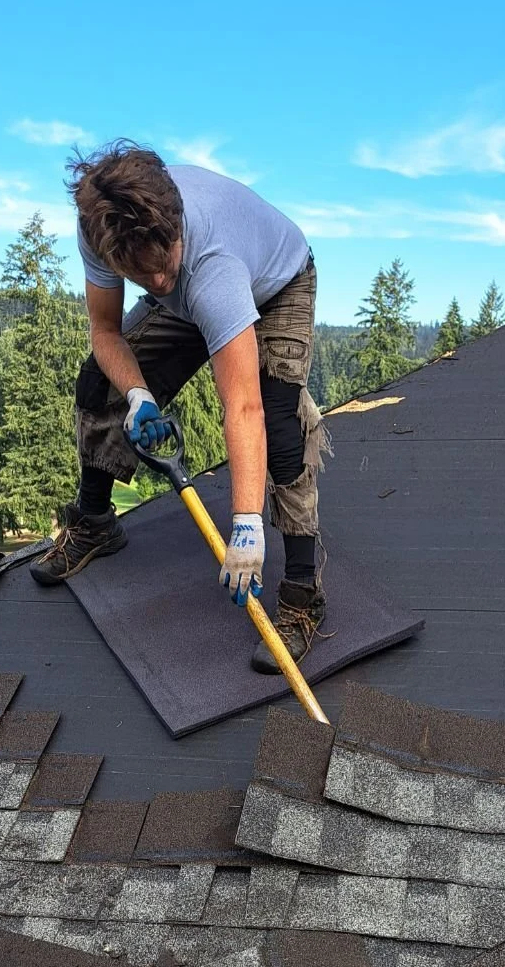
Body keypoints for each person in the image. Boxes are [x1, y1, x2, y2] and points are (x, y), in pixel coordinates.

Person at [29, 141, 330, 673]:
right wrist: (139, 394)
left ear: (176, 227)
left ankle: (303, 596)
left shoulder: (211, 267)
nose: (158, 285)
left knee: (282, 431)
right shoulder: (102, 230)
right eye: (143, 276)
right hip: (199, 291)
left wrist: (246, 525)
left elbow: (243, 408)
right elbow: (104, 331)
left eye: (164, 267)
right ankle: (96, 522)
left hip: (277, 283)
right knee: (102, 382)